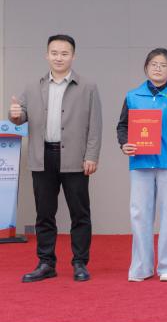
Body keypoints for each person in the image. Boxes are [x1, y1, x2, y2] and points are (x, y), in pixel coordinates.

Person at [9, 34, 102, 283]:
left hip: (75, 158)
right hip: (43, 156)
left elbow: (95, 126)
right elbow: (20, 116)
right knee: (44, 213)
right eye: (54, 53)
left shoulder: (88, 86)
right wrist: (14, 114)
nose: (59, 57)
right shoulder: (33, 86)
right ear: (46, 55)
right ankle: (46, 263)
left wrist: (91, 156)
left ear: (73, 56)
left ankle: (80, 262)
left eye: (64, 53)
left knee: (79, 213)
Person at [116, 48, 167, 282]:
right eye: (153, 64)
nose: (158, 68)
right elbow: (122, 126)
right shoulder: (133, 96)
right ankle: (141, 267)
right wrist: (124, 144)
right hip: (141, 161)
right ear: (146, 67)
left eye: (163, 65)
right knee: (139, 214)